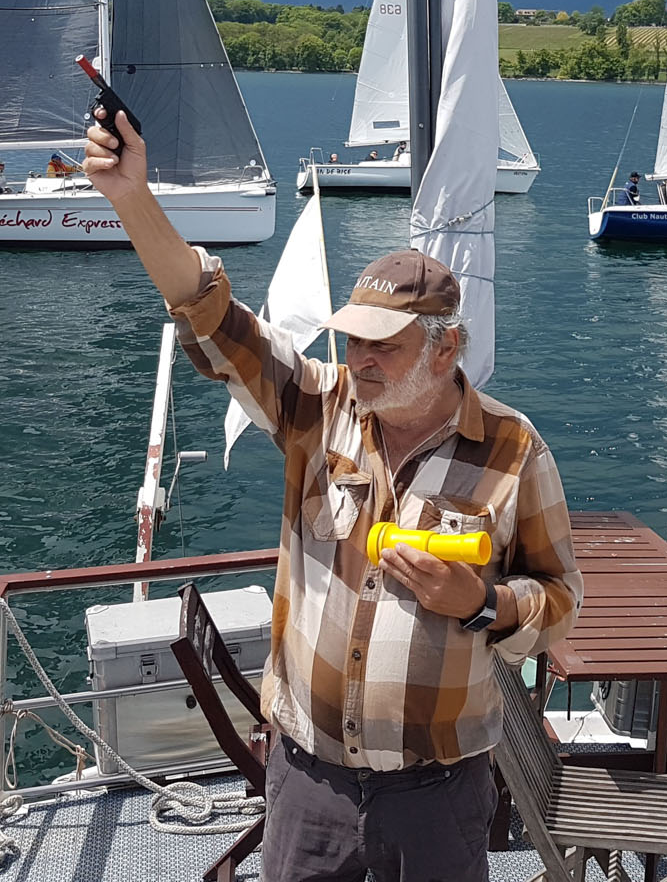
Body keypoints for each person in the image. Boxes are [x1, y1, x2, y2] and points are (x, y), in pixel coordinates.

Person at [81, 104, 582, 882]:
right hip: (307, 781)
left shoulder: (515, 450)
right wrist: (131, 199)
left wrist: (479, 605)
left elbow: (560, 599)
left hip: (438, 793)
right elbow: (215, 321)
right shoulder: (316, 408)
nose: (359, 357)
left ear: (446, 346)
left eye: (384, 343)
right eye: (353, 337)